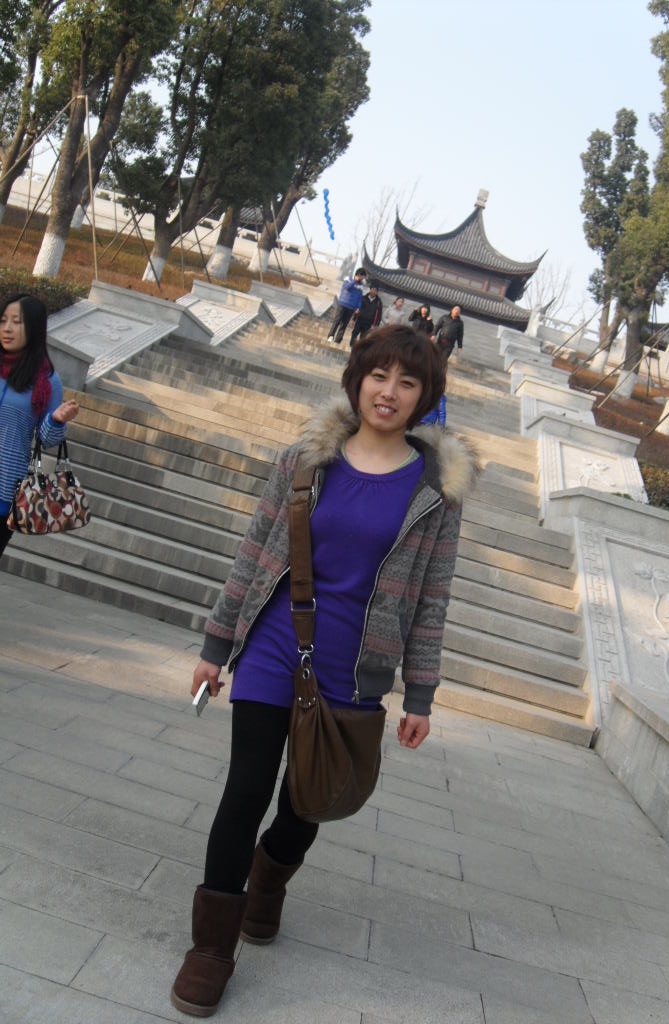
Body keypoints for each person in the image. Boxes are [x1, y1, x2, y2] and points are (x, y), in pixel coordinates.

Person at [170, 323, 478, 1018]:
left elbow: (432, 597)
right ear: (357, 380)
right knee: (245, 789)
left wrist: (420, 694)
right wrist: (216, 646)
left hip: (357, 666)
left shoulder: (436, 492)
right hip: (277, 640)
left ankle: (268, 879)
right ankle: (211, 949)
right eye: (379, 375)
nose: (389, 391)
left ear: (425, 396)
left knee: (307, 802)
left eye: (408, 381)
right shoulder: (305, 460)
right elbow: (255, 551)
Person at [0, 293, 79, 560]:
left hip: (4, 487)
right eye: (3, 320)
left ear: (34, 328)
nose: (7, 328)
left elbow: (46, 439)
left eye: (16, 322)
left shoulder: (46, 380)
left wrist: (56, 419)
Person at [327, 267, 366, 345]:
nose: (363, 279)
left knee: (344, 324)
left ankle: (338, 339)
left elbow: (359, 297)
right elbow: (347, 287)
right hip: (343, 303)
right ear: (359, 275)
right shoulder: (348, 279)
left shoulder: (361, 286)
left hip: (351, 307)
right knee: (337, 321)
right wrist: (354, 281)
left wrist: (358, 307)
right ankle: (331, 335)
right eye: (362, 277)